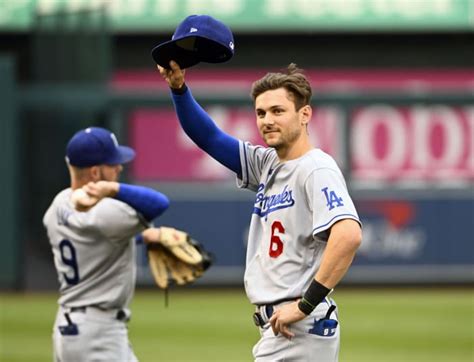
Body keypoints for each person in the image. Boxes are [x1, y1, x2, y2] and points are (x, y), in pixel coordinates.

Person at [157, 61, 362, 361]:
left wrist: (305, 304)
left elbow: (348, 235)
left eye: (278, 111)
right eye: (261, 113)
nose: (267, 120)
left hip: (299, 324)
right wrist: (178, 89)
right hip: (284, 325)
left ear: (305, 114)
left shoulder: (315, 168)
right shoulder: (267, 164)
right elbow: (210, 138)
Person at [43, 126, 171, 362]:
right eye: (113, 164)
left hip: (67, 327)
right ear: (94, 172)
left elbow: (93, 241)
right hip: (98, 332)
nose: (119, 167)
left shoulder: (57, 205)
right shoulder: (106, 211)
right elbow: (159, 203)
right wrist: (112, 189)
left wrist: (142, 238)